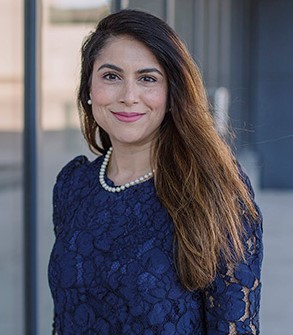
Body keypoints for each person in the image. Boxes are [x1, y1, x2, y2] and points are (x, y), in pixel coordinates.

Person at [48, 9, 263, 335]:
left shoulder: (216, 192)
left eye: (147, 79)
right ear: (88, 90)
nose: (128, 96)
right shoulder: (73, 185)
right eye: (111, 76)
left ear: (172, 94)